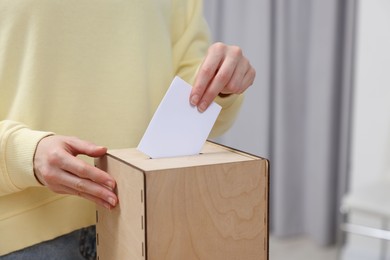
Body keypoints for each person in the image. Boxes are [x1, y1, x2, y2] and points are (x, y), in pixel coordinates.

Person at [0, 0, 255, 259]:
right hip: (26, 237)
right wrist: (22, 153)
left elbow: (191, 90)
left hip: (150, 218)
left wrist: (220, 83)